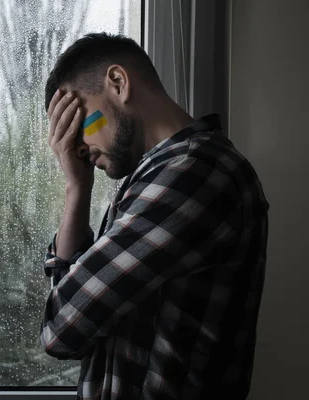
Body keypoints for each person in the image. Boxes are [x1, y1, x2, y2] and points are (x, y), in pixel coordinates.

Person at [40, 33, 269, 400]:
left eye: (78, 119)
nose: (74, 143)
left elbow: (61, 330)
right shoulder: (154, 179)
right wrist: (77, 189)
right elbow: (81, 333)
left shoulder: (193, 174)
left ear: (118, 83)